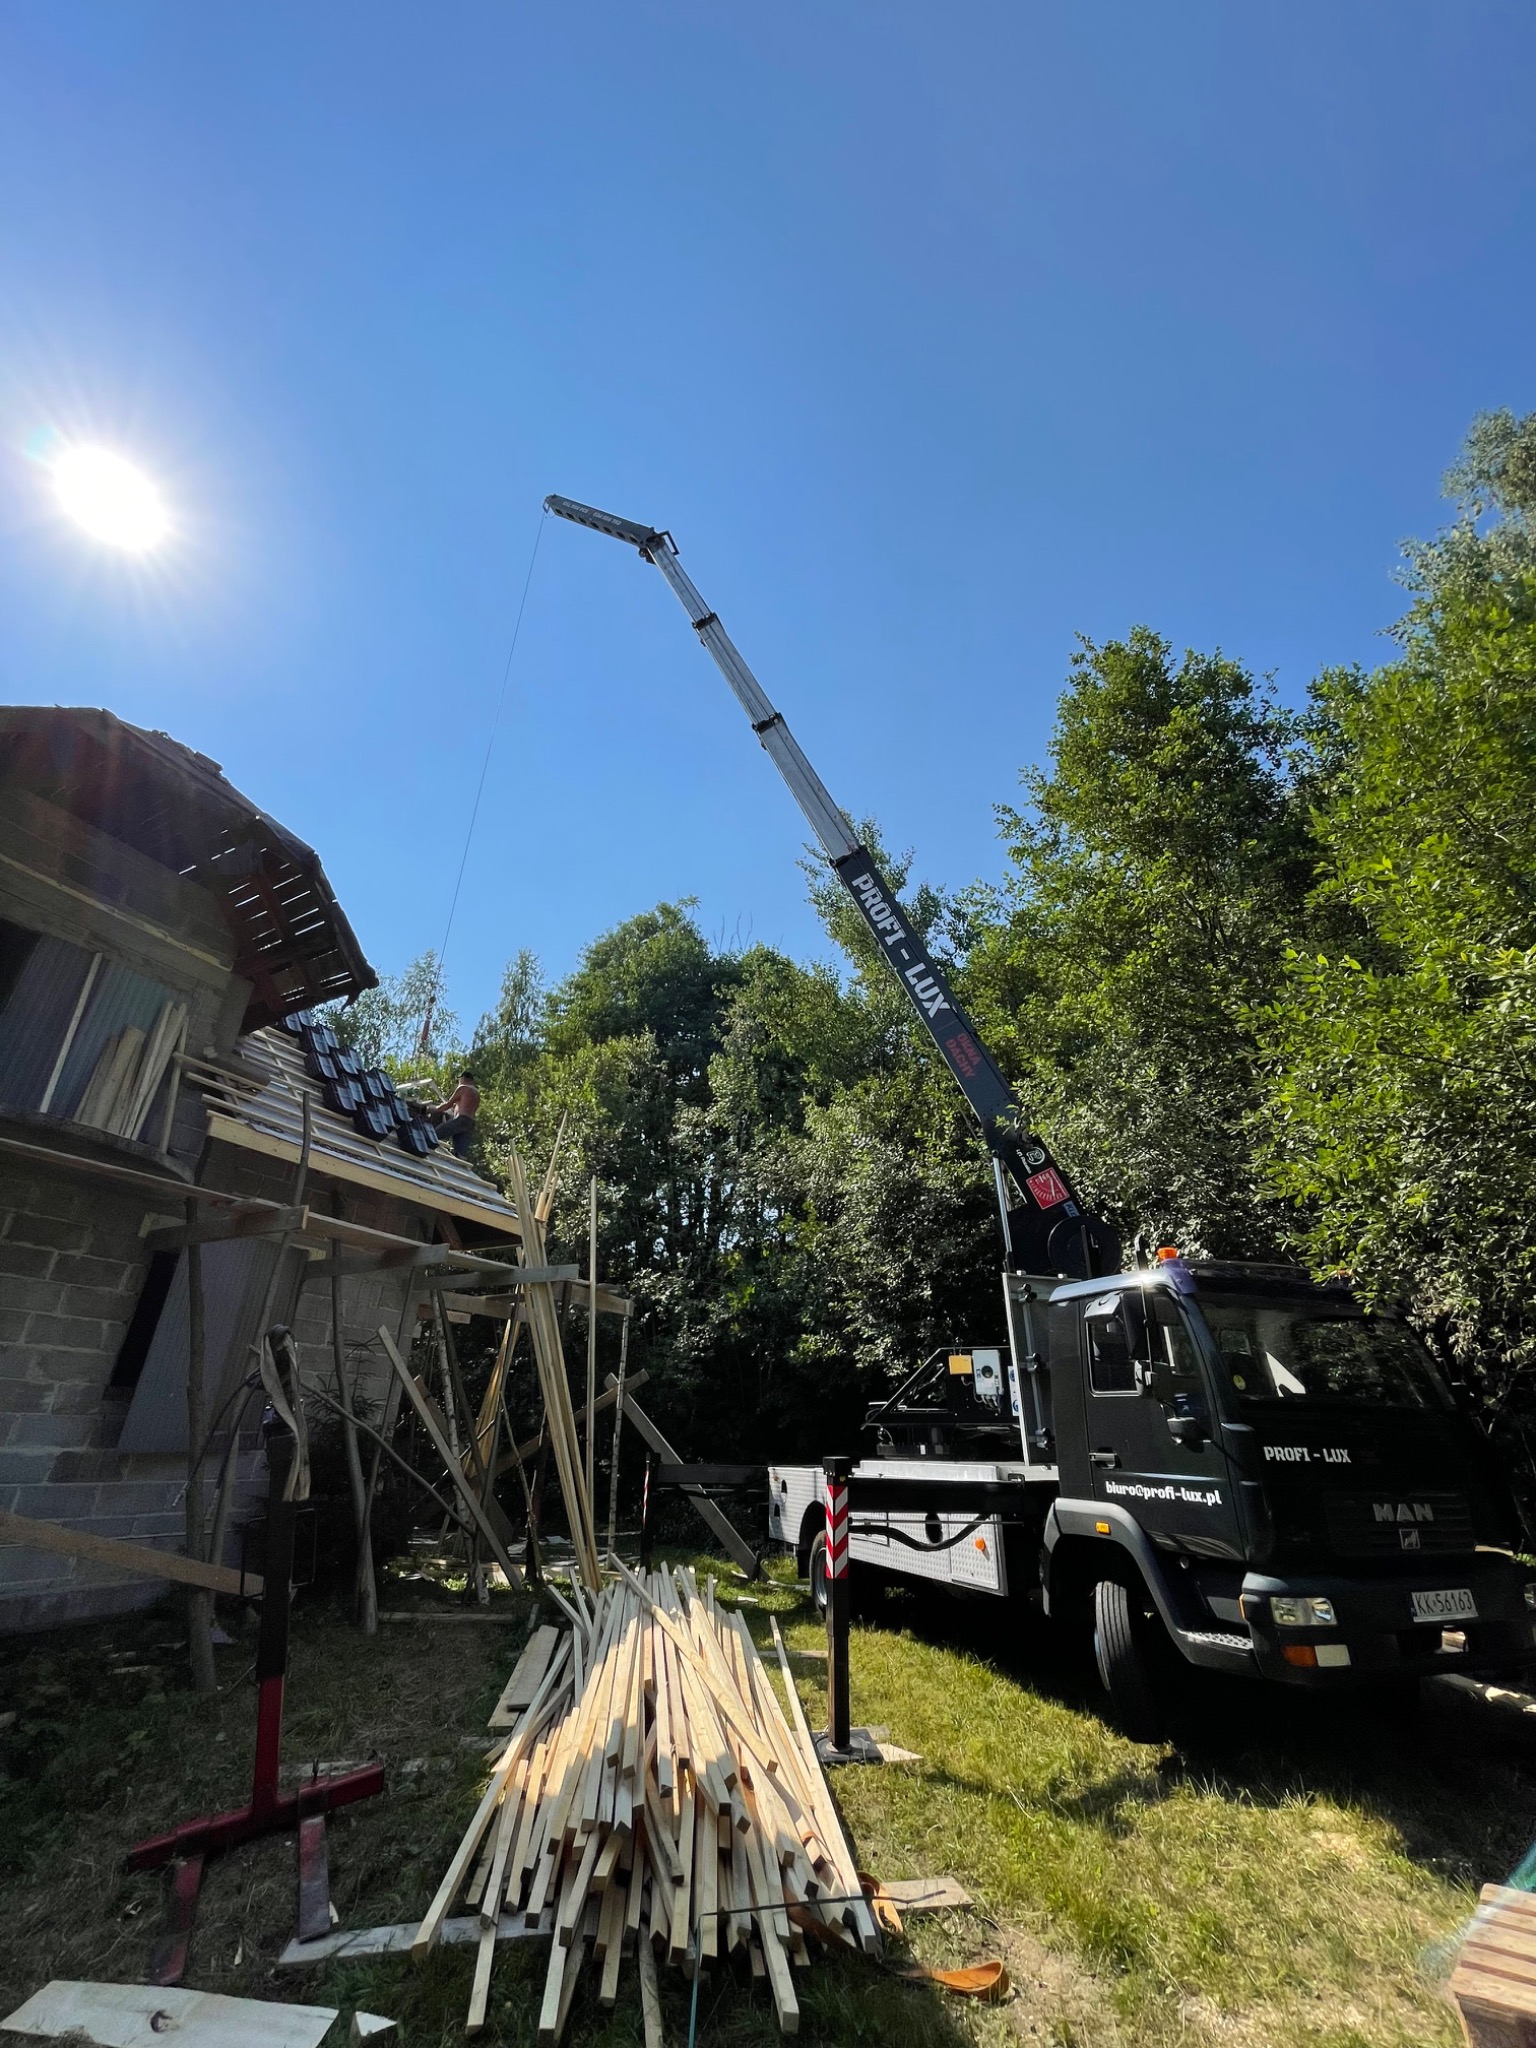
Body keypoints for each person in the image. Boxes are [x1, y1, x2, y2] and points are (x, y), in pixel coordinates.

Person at [426, 1069, 479, 1158]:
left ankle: (424, 1150)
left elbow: (448, 1105)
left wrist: (432, 1109)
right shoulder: (476, 1093)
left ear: (462, 1078)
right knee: (460, 1153)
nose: (458, 1082)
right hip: (470, 1123)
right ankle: (460, 1163)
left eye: (459, 1080)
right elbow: (467, 1107)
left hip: (461, 1120)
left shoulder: (463, 1087)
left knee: (434, 1134)